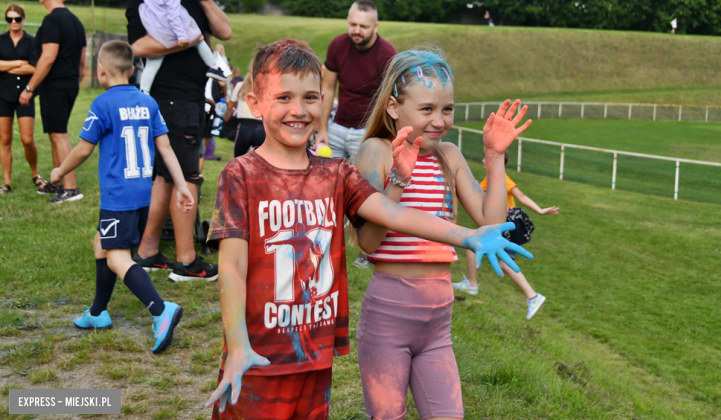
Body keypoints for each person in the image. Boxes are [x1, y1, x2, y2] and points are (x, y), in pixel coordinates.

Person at [203, 39, 531, 419]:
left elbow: (407, 216)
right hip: (283, 345)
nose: (299, 110)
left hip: (324, 350)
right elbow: (234, 267)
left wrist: (477, 209)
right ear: (255, 102)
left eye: (311, 97)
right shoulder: (244, 173)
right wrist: (237, 344)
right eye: (283, 98)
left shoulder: (337, 172)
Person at [353, 50, 532, 420]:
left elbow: (490, 222)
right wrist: (399, 180)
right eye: (427, 109)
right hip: (388, 315)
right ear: (392, 107)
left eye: (447, 109)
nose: (439, 121)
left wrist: (494, 157)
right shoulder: (376, 152)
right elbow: (367, 243)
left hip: (438, 320)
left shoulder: (448, 157)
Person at [50, 41, 194, 353]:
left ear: (101, 71)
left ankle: (160, 310)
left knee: (117, 257)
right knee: (101, 243)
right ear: (131, 70)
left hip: (119, 197)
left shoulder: (102, 104)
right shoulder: (148, 102)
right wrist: (181, 184)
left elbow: (84, 148)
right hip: (142, 194)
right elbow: (166, 147)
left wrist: (60, 171)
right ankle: (98, 312)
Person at [128, 0, 232, 282]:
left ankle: (147, 250)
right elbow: (139, 46)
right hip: (170, 98)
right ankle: (187, 260)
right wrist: (185, 38)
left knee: (164, 177)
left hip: (189, 96)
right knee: (187, 175)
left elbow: (225, 31)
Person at [315, 0, 396, 269]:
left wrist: (381, 137)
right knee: (326, 186)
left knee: (364, 193)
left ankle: (364, 249)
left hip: (367, 132)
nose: (356, 30)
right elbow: (328, 87)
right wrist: (322, 129)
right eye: (352, 24)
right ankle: (322, 242)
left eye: (363, 26)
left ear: (376, 26)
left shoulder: (387, 53)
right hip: (337, 127)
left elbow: (387, 99)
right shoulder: (337, 45)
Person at [453, 151, 559, 320]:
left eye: (485, 158)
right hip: (502, 221)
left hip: (506, 221)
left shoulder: (501, 177)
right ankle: (473, 285)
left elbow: (520, 196)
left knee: (495, 257)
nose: (482, 160)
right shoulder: (492, 177)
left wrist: (539, 210)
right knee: (476, 248)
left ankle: (532, 296)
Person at [18, 0, 87, 203]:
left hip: (56, 84)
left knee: (59, 135)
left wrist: (30, 88)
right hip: (70, 82)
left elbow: (48, 57)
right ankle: (57, 182)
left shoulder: (51, 21)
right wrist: (75, 77)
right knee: (56, 131)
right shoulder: (76, 21)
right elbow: (83, 59)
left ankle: (71, 188)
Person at [129, 0, 227, 93]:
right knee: (199, 39)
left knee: (153, 62)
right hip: (169, 29)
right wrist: (182, 36)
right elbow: (174, 16)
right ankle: (213, 67)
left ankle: (145, 90)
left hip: (154, 28)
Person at [0, 4, 50, 195]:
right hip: (2, 94)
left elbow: (35, 67)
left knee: (27, 139)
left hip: (24, 95)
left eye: (17, 19)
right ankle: (7, 182)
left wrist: (6, 66)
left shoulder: (32, 42)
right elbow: (25, 65)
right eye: (9, 19)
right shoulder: (1, 40)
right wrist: (19, 63)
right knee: (4, 139)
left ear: (24, 19)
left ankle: (35, 173)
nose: (13, 22)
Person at [226, 69, 264, 157]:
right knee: (259, 163)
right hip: (261, 128)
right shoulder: (266, 88)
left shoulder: (240, 86)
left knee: (237, 160)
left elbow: (230, 105)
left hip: (244, 127)